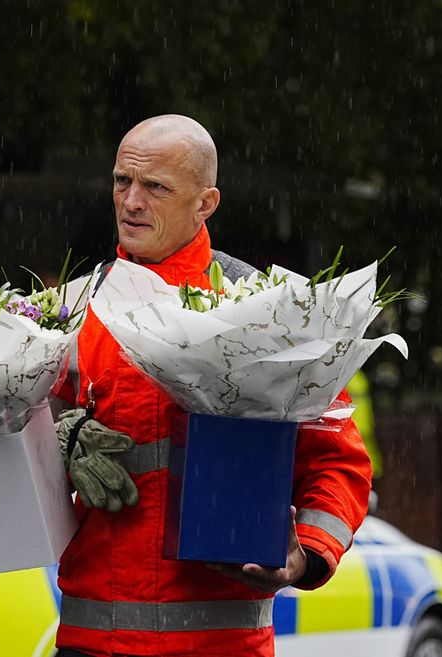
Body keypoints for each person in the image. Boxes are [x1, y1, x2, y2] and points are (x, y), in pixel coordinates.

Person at [53, 115, 373, 657]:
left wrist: (306, 556)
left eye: (155, 187)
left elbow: (338, 461)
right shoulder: (70, 309)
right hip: (92, 639)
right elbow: (21, 441)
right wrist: (55, 440)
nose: (131, 201)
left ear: (205, 203)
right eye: (121, 181)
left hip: (222, 644)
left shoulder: (267, 309)